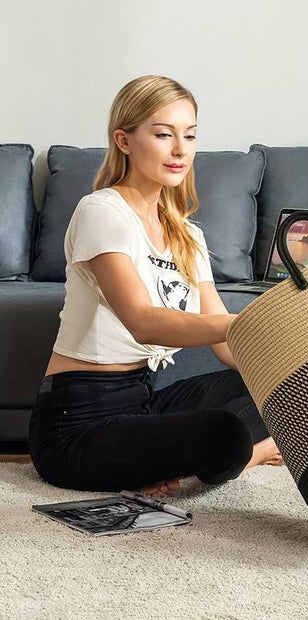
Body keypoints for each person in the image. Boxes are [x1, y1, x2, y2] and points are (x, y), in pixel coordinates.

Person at [28, 75, 283, 499]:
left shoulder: (186, 234)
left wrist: (293, 368)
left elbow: (223, 342)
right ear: (124, 141)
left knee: (268, 390)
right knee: (225, 434)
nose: (181, 150)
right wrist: (248, 323)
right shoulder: (102, 212)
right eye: (164, 134)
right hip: (76, 422)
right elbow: (143, 322)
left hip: (143, 400)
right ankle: (253, 454)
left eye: (190, 135)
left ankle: (172, 460)